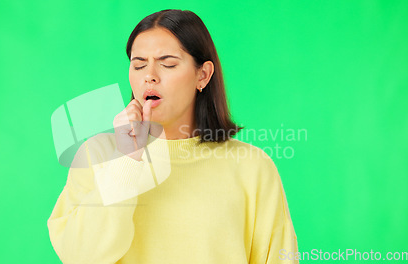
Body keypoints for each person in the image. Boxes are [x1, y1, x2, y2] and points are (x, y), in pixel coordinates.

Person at [47, 9, 299, 264]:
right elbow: (80, 257)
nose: (150, 76)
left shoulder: (252, 166)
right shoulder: (97, 154)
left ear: (203, 75)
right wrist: (126, 161)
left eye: (167, 64)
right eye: (139, 65)